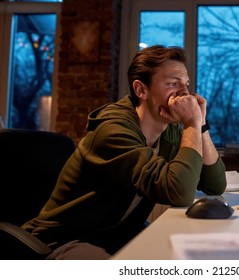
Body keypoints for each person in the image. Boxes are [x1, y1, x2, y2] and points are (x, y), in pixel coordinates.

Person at [22, 45, 227, 259]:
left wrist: (200, 125)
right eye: (173, 84)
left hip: (117, 236)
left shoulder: (172, 131)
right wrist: (191, 124)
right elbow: (179, 192)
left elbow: (215, 185)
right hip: (64, 241)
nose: (185, 94)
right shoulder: (112, 130)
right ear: (141, 90)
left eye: (186, 85)